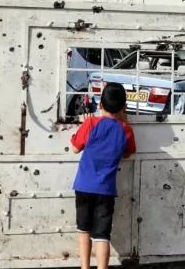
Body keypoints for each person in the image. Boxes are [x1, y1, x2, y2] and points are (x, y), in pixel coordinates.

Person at [70, 84, 136, 269]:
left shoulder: (90, 124)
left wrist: (85, 122)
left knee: (83, 230)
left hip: (83, 186)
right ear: (124, 107)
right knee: (102, 236)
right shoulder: (126, 130)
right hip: (106, 190)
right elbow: (128, 153)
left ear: (100, 104)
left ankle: (85, 267)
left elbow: (75, 148)